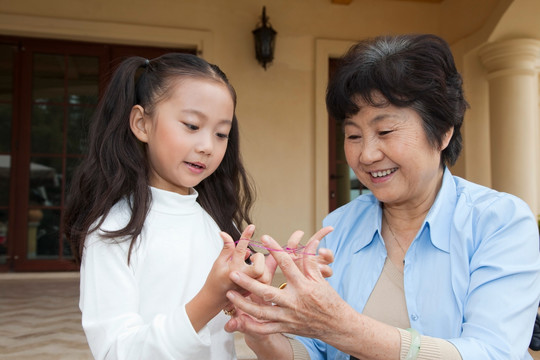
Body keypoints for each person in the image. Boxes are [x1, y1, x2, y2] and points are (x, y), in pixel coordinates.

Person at [224, 34, 540, 360]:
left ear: (443, 130)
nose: (367, 154)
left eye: (385, 131)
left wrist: (344, 328)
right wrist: (262, 330)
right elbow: (316, 351)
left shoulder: (498, 223)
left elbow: (493, 353)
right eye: (353, 135)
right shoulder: (340, 226)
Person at [64, 53, 267, 359]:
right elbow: (116, 351)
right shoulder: (114, 229)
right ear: (141, 123)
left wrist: (254, 293)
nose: (207, 146)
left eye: (221, 133)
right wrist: (209, 299)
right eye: (191, 125)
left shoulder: (215, 223)